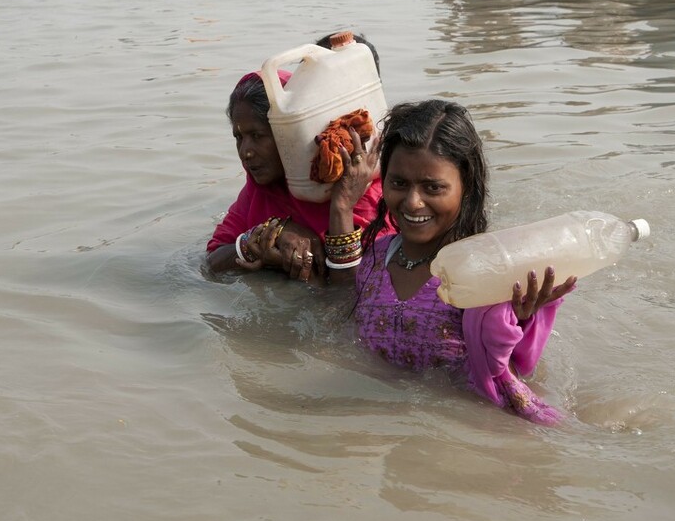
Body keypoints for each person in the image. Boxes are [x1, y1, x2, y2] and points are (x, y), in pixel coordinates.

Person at [343, 99, 575, 423]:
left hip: (460, 427)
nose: (413, 202)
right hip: (377, 422)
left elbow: (505, 371)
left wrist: (519, 318)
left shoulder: (489, 273)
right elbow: (340, 302)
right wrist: (341, 206)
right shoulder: (376, 257)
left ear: (466, 188)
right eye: (398, 183)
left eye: (433, 187)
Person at [203, 69, 385, 280]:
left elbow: (357, 289)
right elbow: (212, 262)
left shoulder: (361, 190)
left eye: (257, 135)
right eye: (239, 137)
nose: (245, 152)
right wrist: (270, 235)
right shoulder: (260, 192)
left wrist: (341, 209)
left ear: (292, 134)